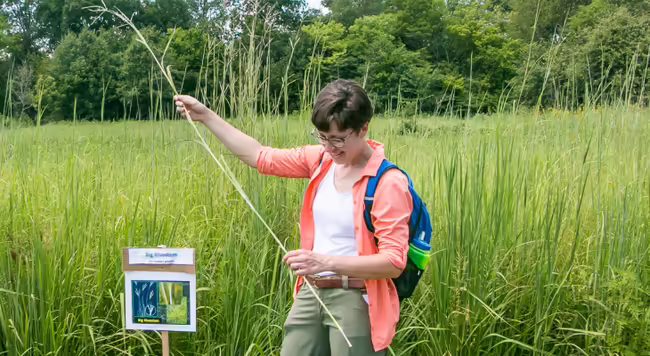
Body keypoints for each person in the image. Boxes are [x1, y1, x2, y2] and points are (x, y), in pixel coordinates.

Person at [175, 79, 412, 355]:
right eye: (322, 137)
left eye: (339, 139)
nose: (330, 148)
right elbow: (260, 156)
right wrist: (206, 116)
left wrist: (323, 261)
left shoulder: (388, 182)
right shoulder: (321, 161)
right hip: (311, 293)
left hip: (358, 300)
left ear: (364, 129)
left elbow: (393, 262)